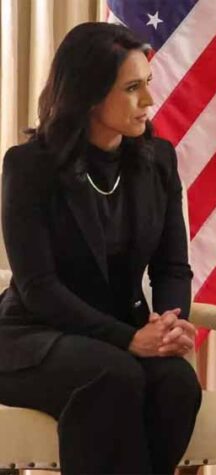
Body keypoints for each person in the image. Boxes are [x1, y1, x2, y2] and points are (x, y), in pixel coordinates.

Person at [0, 22, 201, 474]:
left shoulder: (158, 161)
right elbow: (38, 287)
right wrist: (128, 338)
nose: (148, 100)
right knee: (113, 374)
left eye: (147, 83)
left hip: (118, 337)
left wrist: (169, 323)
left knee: (176, 383)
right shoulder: (29, 167)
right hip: (34, 337)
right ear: (89, 95)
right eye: (132, 88)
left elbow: (172, 267)